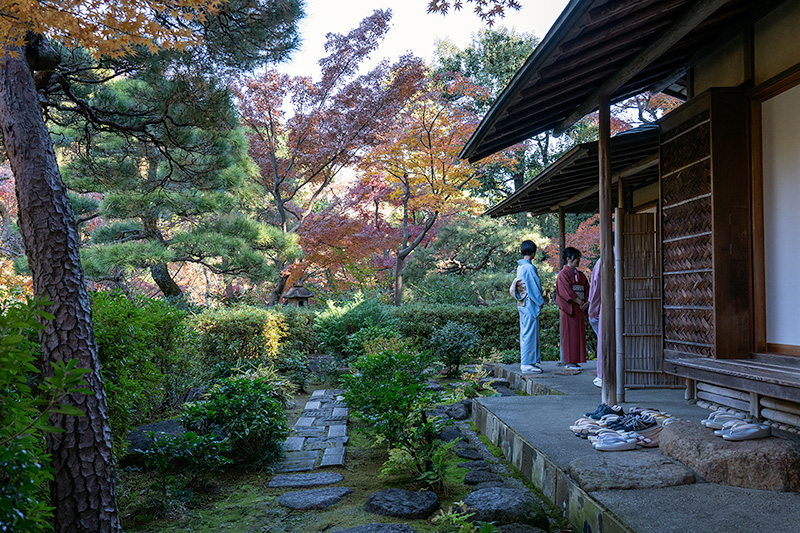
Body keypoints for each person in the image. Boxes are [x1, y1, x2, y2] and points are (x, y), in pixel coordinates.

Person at [511, 240, 544, 373]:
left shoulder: (521, 267)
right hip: (529, 302)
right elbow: (534, 288)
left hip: (523, 302)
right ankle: (526, 363)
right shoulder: (529, 268)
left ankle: (530, 362)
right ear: (533, 253)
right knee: (529, 332)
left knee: (526, 331)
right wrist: (541, 302)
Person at [555, 247, 589, 371]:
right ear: (568, 259)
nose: (579, 260)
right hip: (570, 307)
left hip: (580, 307)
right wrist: (579, 301)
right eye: (577, 258)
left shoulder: (580, 275)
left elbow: (586, 288)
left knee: (579, 334)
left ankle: (575, 360)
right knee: (569, 334)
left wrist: (586, 302)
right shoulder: (563, 274)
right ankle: (569, 361)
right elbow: (565, 291)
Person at [587, 257, 602, 387]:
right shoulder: (634, 258)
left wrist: (592, 311)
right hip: (636, 306)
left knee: (605, 342)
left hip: (607, 307)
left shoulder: (602, 261)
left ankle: (603, 375)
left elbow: (596, 289)